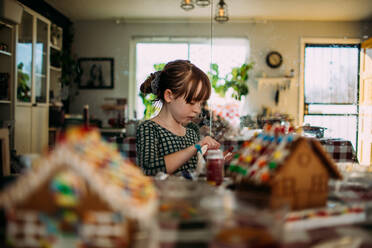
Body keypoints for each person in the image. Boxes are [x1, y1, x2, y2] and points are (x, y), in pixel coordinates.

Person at [136, 60, 220, 176]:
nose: (198, 110)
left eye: (200, 103)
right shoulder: (149, 128)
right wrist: (195, 147)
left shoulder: (191, 130)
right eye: (191, 102)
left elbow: (194, 171)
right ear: (169, 96)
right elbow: (148, 170)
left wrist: (216, 163)